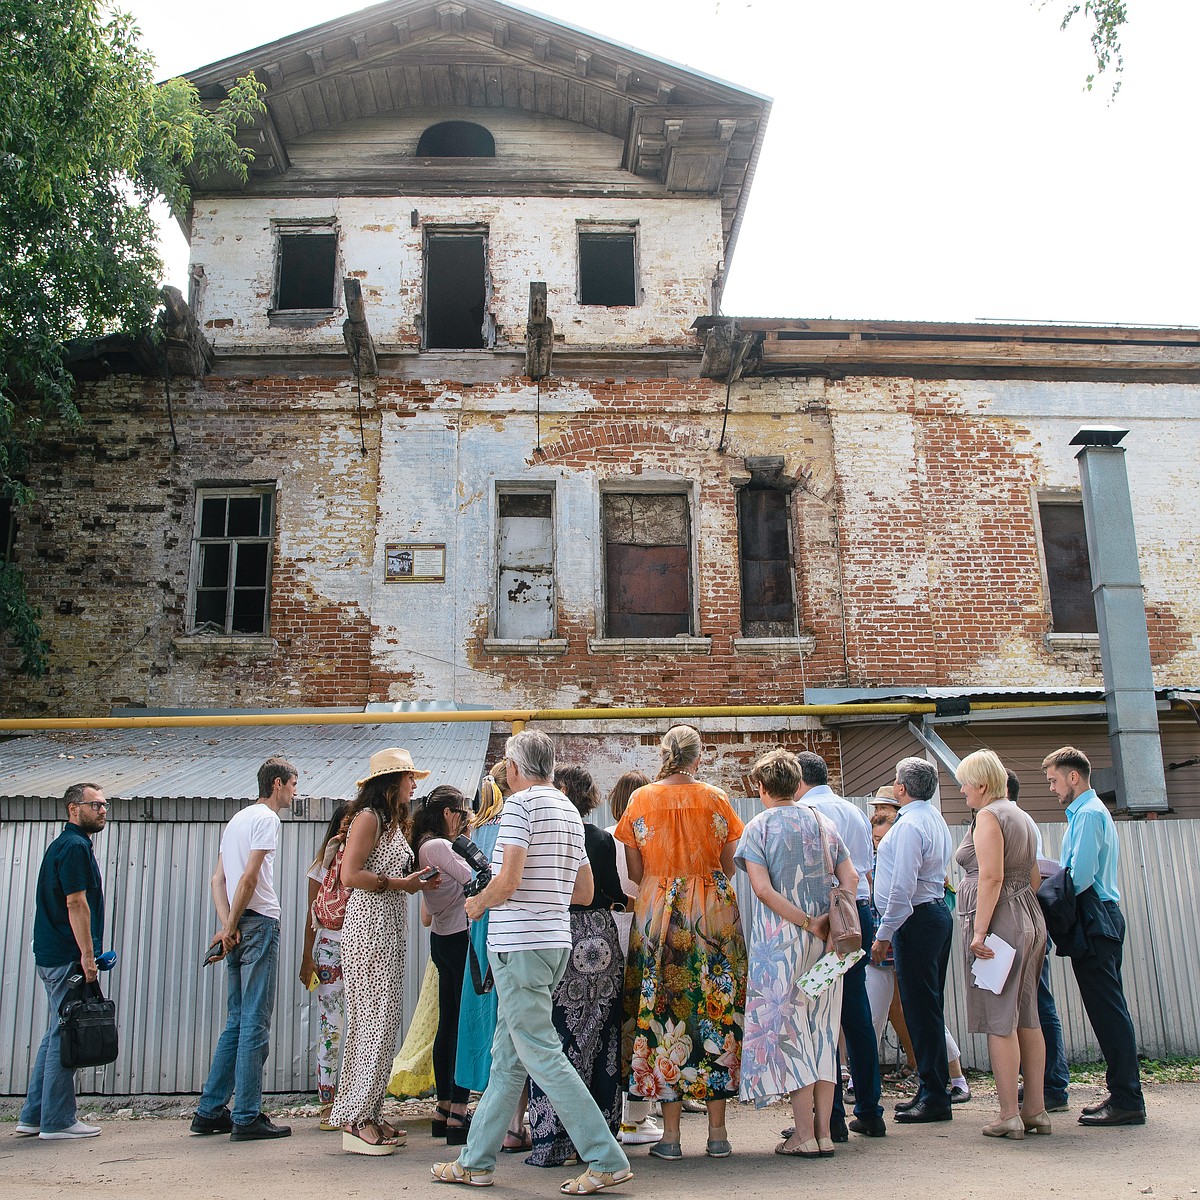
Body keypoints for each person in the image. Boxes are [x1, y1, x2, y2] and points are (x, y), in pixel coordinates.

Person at [432, 730, 633, 1195]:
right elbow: (583, 892)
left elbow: (508, 879)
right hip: (554, 944)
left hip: (518, 945)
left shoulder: (519, 808)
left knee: (541, 1053)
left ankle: (605, 1158)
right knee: (509, 1057)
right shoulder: (566, 808)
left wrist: (479, 903)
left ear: (515, 768)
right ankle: (475, 1161)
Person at [615, 724, 747, 1161]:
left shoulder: (640, 799)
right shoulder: (715, 798)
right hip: (712, 912)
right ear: (698, 756)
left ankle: (669, 1138)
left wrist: (665, 882)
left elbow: (635, 872)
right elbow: (728, 865)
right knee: (717, 1009)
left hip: (657, 913)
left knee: (662, 1012)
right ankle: (718, 1134)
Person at [737, 749, 857, 1158]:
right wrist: (832, 921)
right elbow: (851, 876)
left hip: (781, 944)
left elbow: (762, 889)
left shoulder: (758, 826)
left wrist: (807, 922)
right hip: (828, 945)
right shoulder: (823, 822)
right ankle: (824, 1133)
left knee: (792, 1035)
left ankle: (803, 1133)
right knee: (824, 1032)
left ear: (762, 786)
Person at [331, 748, 441, 1155]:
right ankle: (356, 1117)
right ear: (393, 782)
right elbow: (350, 875)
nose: (414, 785)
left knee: (384, 1019)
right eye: (410, 778)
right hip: (369, 925)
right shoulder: (368, 818)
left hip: (388, 925)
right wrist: (402, 885)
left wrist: (414, 881)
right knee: (372, 1020)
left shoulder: (392, 821)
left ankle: (371, 1110)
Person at [191, 757, 297, 1142]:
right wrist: (232, 926)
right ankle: (247, 1116)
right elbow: (249, 877)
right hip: (259, 922)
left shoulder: (236, 820)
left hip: (237, 926)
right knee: (255, 1021)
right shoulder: (267, 820)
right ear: (278, 783)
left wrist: (226, 928)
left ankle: (209, 1111)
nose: (294, 793)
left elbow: (217, 879)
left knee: (237, 1020)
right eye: (293, 785)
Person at [526, 765, 627, 1167]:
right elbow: (617, 894)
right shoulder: (604, 838)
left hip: (559, 934)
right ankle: (600, 1135)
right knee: (602, 1038)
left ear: (562, 789)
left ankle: (558, 1139)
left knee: (556, 1036)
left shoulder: (550, 835)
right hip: (601, 938)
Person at [1043, 746, 1145, 1127]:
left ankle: (1128, 1099)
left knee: (1108, 1010)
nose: (1052, 788)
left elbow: (1079, 877)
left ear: (1073, 777)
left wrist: (1048, 890)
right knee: (1108, 1008)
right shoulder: (1088, 813)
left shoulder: (1086, 815)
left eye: (1054, 780)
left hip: (1095, 916)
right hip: (1101, 916)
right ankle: (1122, 1090)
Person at [953, 750, 1048, 1139]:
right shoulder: (1020, 814)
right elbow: (1035, 876)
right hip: (1026, 915)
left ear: (981, 784)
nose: (961, 791)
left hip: (999, 924)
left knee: (999, 1017)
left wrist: (979, 931)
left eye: (964, 783)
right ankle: (1035, 1109)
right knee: (1027, 1014)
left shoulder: (989, 816)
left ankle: (1008, 1112)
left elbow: (990, 877)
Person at [796, 751, 884, 1140]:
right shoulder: (853, 811)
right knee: (857, 1013)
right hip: (857, 911)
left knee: (821, 1015)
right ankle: (870, 1109)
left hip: (823, 917)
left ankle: (829, 1118)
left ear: (798, 779)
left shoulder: (804, 813)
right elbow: (863, 868)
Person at [17, 783, 109, 1141]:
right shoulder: (73, 846)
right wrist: (88, 956)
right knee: (66, 1035)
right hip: (67, 955)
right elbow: (76, 903)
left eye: (105, 804)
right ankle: (57, 1120)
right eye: (95, 805)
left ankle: (34, 1115)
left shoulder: (66, 844)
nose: (103, 810)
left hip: (53, 953)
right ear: (74, 809)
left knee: (58, 1030)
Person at [871, 757, 954, 1124]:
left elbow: (902, 887)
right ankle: (933, 1088)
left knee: (921, 1011)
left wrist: (884, 933)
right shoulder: (933, 819)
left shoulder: (907, 826)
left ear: (901, 787)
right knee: (928, 1008)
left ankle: (934, 1094)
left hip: (915, 919)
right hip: (933, 914)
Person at [411, 785, 475, 1144]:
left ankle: (443, 1108)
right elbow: (474, 877)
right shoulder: (438, 846)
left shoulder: (423, 845)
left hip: (441, 937)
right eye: (462, 812)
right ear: (450, 812)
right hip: (459, 938)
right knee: (460, 1024)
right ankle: (458, 1113)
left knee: (448, 1022)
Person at [604, 770, 661, 1147]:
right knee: (640, 1016)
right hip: (642, 924)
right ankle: (636, 1116)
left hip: (609, 923)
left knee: (611, 1018)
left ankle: (612, 1109)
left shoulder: (607, 836)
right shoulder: (650, 839)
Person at [1008, 770, 1070, 1114]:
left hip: (1025, 922)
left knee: (1038, 1003)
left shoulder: (1018, 823)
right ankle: (1041, 1082)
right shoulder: (1018, 821)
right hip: (1027, 921)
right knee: (1030, 1003)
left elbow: (1030, 876)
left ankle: (1053, 1084)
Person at [299, 802, 351, 1129]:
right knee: (331, 1027)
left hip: (359, 949)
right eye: (343, 825)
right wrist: (307, 959)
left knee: (361, 1025)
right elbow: (311, 916)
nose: (347, 831)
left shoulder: (361, 859)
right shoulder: (322, 866)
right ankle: (327, 1103)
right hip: (330, 949)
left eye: (352, 825)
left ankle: (354, 1098)